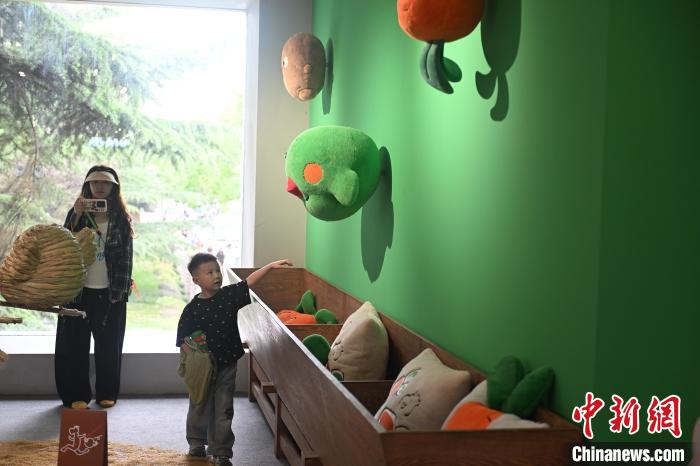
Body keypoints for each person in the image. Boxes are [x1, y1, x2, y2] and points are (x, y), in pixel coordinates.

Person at [176, 253, 292, 466]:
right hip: (202, 369)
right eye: (209, 273)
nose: (216, 275)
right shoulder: (191, 309)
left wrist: (269, 266)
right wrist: (192, 355)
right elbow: (182, 339)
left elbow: (249, 282)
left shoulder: (229, 296)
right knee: (199, 404)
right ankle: (196, 442)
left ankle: (221, 452)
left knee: (223, 408)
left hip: (227, 365)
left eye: (217, 270)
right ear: (196, 280)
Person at [55, 165, 134, 410]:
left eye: (105, 183)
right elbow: (63, 245)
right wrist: (77, 215)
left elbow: (126, 257)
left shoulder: (121, 218)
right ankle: (76, 395)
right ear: (87, 185)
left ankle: (107, 392)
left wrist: (120, 293)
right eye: (95, 182)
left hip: (110, 292)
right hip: (77, 292)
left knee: (109, 344)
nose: (100, 187)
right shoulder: (76, 213)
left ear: (113, 187)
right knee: (74, 345)